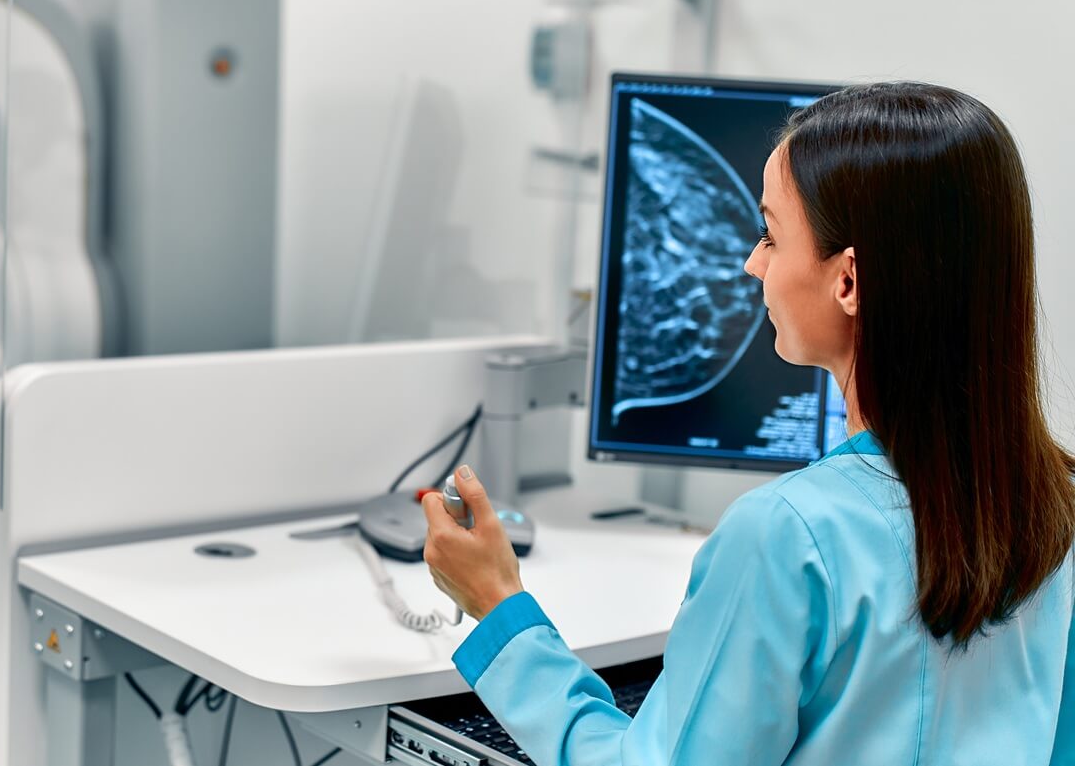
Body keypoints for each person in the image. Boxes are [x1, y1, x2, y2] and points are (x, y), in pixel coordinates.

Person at [423, 82, 1075, 764]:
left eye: (770, 233)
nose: (752, 261)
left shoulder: (787, 535)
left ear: (849, 280)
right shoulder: (1058, 510)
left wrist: (499, 606)